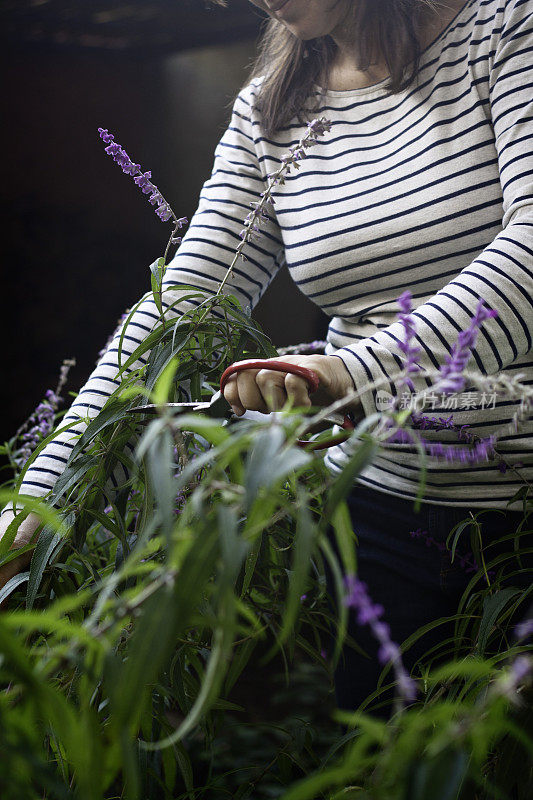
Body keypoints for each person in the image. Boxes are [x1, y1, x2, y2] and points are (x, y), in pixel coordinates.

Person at [1, 0, 532, 715]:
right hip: (386, 517)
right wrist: (43, 497)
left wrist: (350, 373)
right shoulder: (270, 112)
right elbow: (181, 309)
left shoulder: (505, 30)